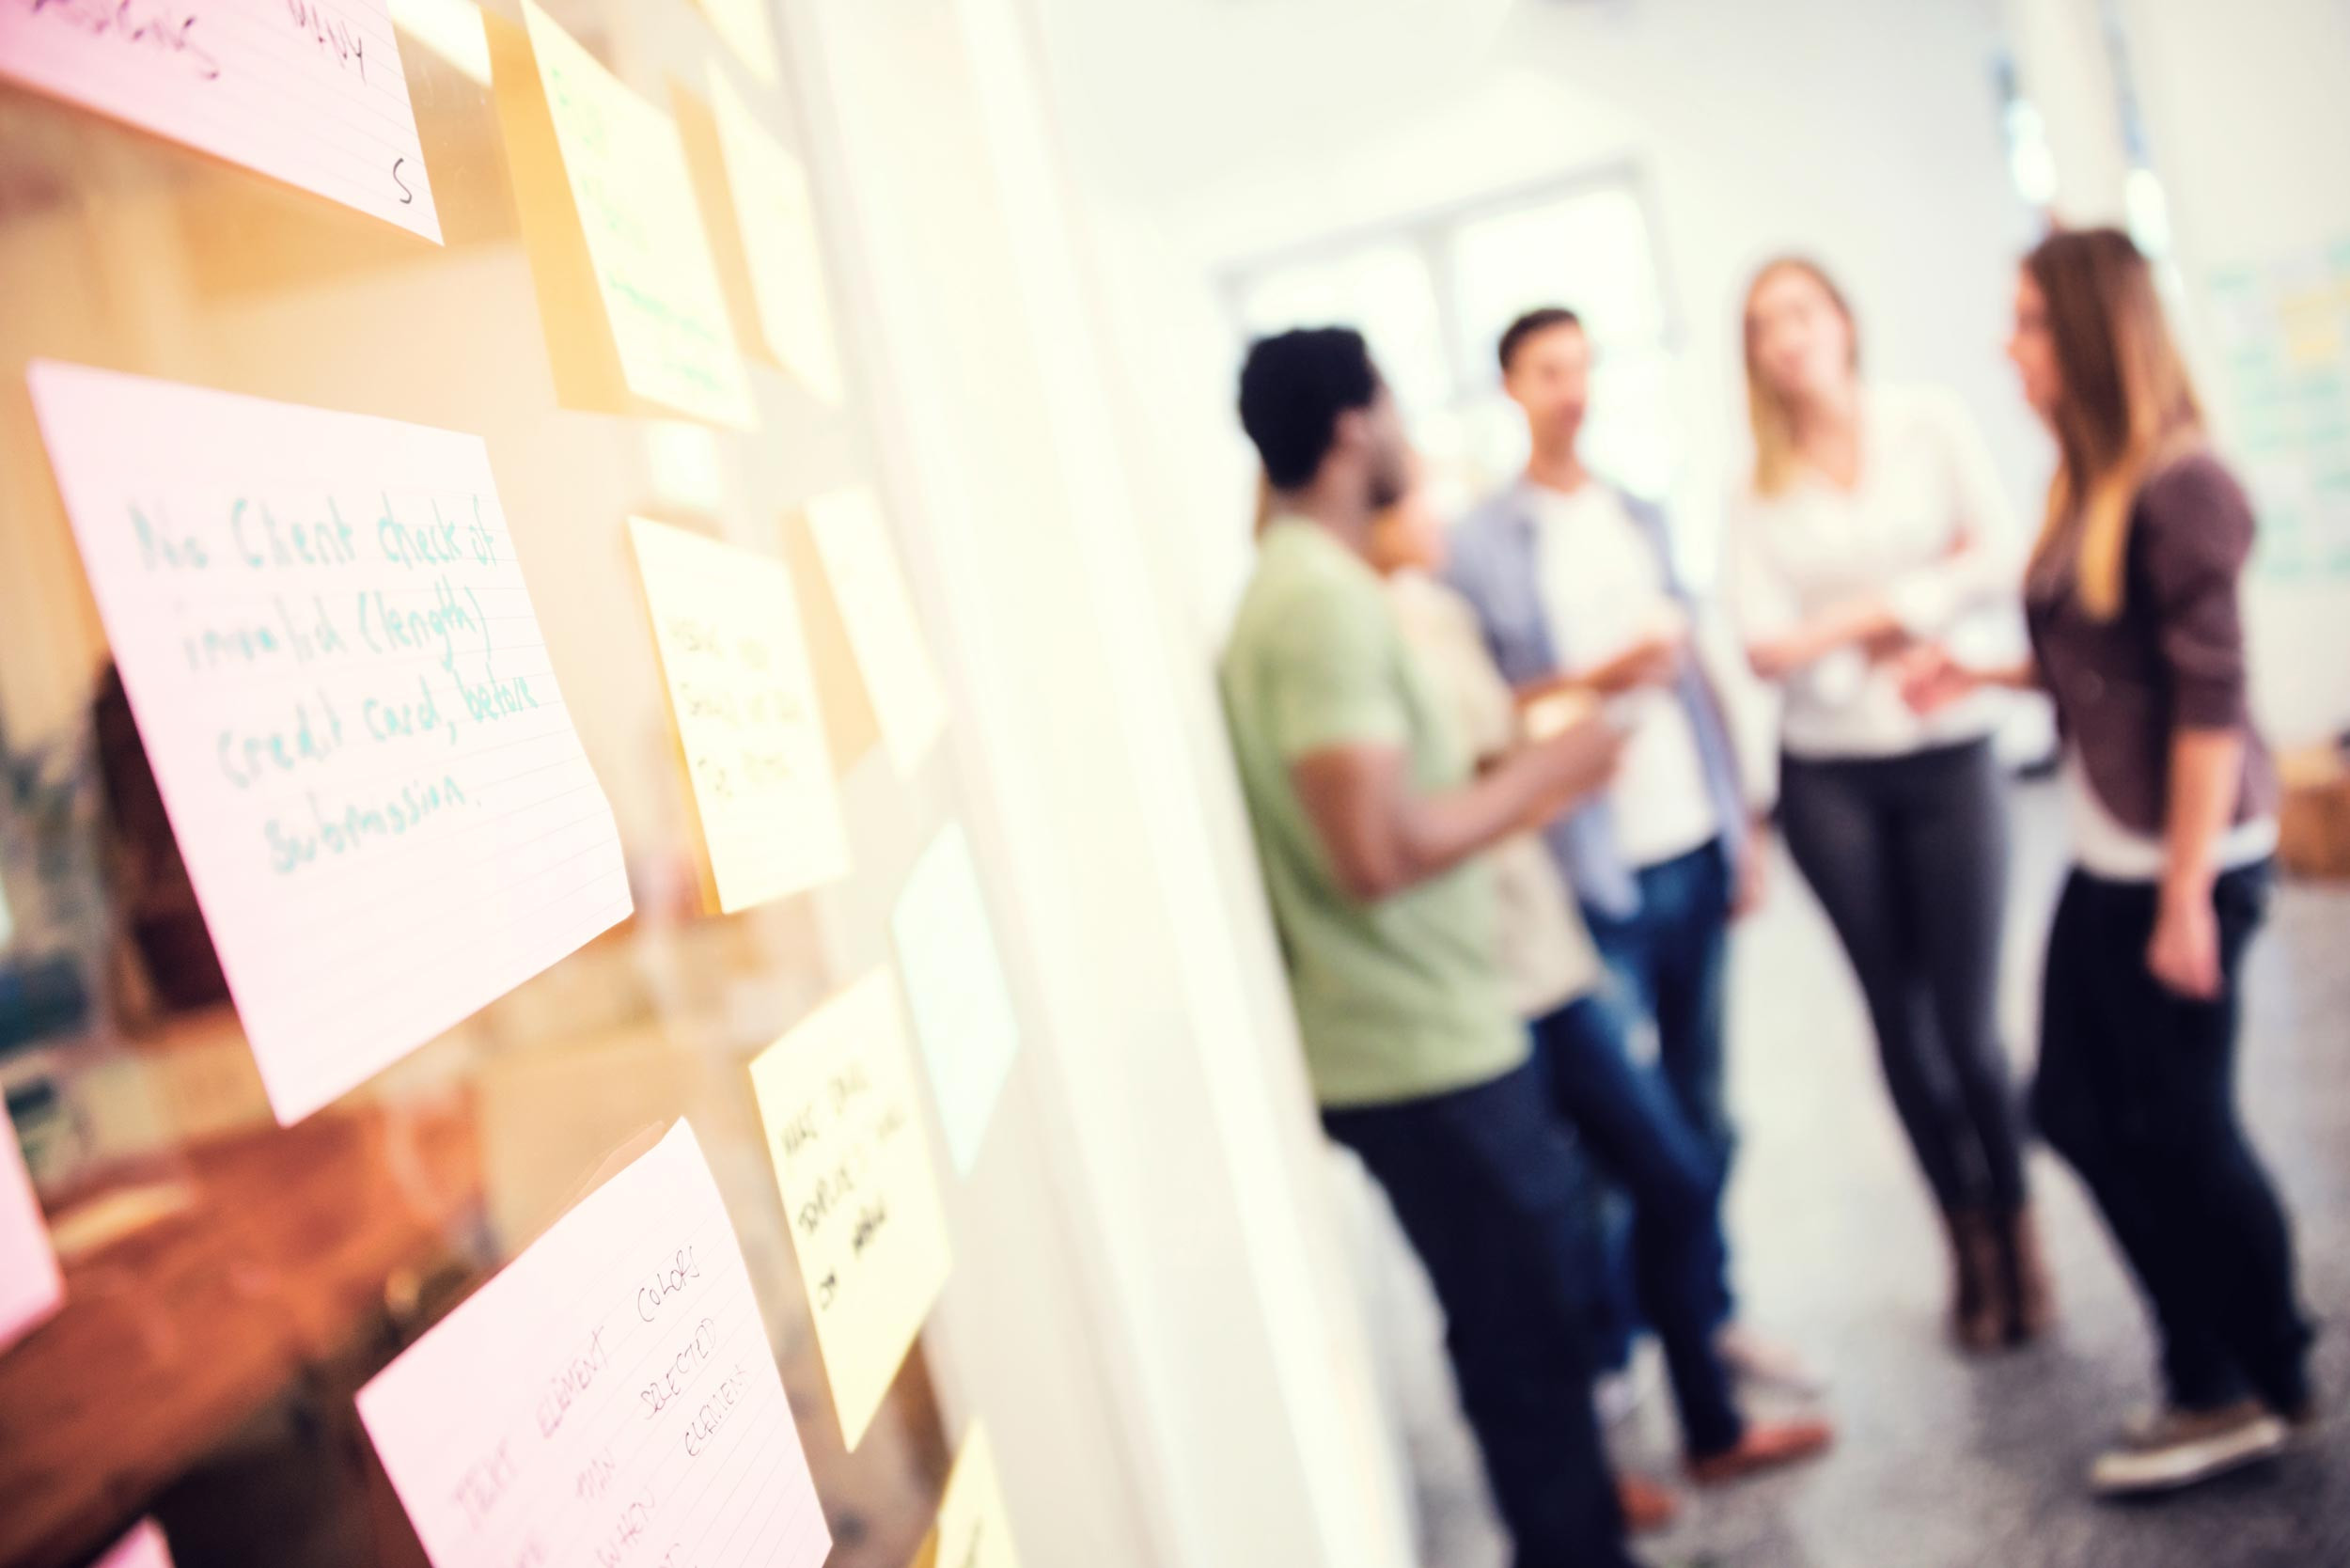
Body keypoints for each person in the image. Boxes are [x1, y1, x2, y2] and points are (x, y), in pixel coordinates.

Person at [1901, 227, 2317, 1497]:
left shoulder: (2184, 485)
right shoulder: (2092, 479)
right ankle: (2236, 1356)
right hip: (2116, 850)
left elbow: (2206, 709)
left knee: (2181, 1126)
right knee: (2081, 1113)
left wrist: (2187, 894)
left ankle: (2237, 1380)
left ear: (2085, 335)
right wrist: (1982, 671)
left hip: (2181, 862)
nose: (2008, 345)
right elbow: (2108, 664)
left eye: (2027, 321)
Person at [1219, 326, 1637, 1567]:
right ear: (1354, 426)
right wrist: (1550, 774)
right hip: (1419, 1052)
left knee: (1531, 1331)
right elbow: (1376, 850)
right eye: (1393, 409)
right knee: (1525, 1341)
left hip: (1438, 1027)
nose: (1406, 435)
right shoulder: (1315, 602)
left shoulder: (1318, 587)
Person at [1374, 483, 1833, 1505]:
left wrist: (1556, 771)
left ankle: (1709, 1423)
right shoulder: (1377, 636)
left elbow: (1488, 756)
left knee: (1672, 1173)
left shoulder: (1439, 614)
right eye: (1414, 488)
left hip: (1548, 953)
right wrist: (1553, 767)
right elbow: (1414, 823)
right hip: (1488, 979)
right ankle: (1597, 1458)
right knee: (1552, 1228)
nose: (1438, 505)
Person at [1448, 306, 1805, 1391]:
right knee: (1613, 1131)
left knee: (1701, 1107)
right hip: (1588, 870)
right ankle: (1613, 1344)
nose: (1572, 389)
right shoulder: (1482, 546)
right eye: (1548, 371)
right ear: (1511, 387)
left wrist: (1743, 821)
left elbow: (1695, 678)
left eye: (1583, 367)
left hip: (1689, 836)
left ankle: (1708, 1315)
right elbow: (1483, 718)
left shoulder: (1636, 514)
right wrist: (1596, 682)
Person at [1728, 257, 2050, 1351]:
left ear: (1843, 323)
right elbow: (1765, 648)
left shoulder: (1929, 424)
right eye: (1765, 324)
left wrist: (1870, 613)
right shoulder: (1754, 492)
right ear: (1752, 356)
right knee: (1897, 1025)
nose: (1788, 337)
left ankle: (2019, 1232)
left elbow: (2005, 554)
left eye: (1802, 313)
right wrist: (1903, 602)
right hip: (1829, 778)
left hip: (1948, 746)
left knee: (1966, 1026)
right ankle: (1962, 1244)